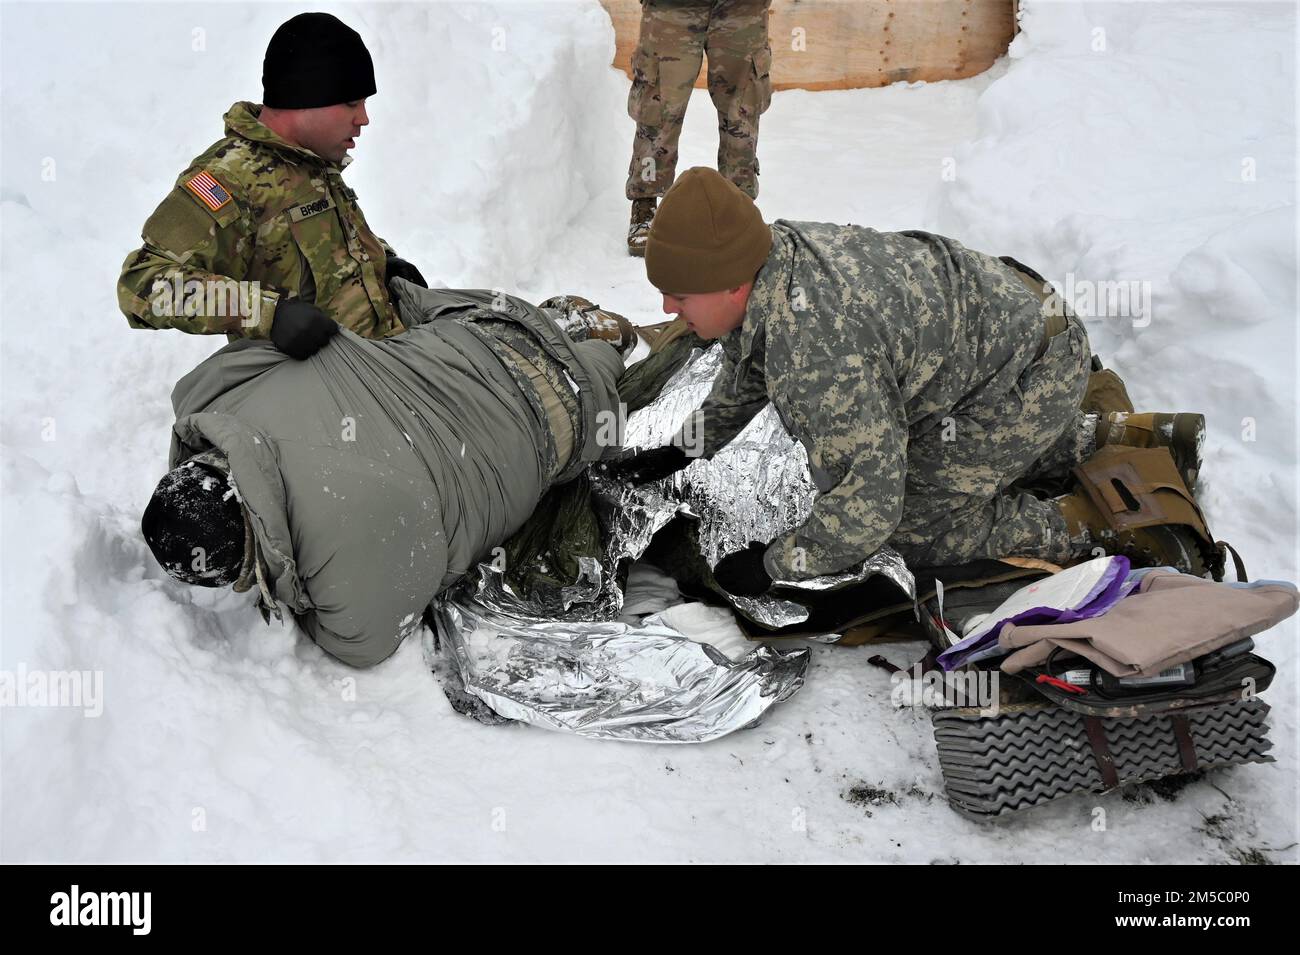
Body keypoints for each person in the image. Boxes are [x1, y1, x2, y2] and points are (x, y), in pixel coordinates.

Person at [613, 167, 1215, 597]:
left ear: (730, 285)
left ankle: (1092, 523)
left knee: (913, 528)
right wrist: (686, 446)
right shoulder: (778, 255)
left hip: (1024, 377)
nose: (668, 308)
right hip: (999, 347)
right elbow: (749, 364)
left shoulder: (819, 349)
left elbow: (869, 508)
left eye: (679, 294)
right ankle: (1126, 435)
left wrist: (776, 564)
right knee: (929, 452)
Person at [141, 285, 634, 667]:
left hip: (557, 412)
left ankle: (608, 347)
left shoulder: (342, 556)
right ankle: (566, 324)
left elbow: (360, 644)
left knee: (602, 368)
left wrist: (286, 579)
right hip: (475, 331)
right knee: (539, 332)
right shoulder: (209, 395)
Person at [117, 13, 427, 355]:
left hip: (382, 366)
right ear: (307, 97)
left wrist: (383, 261)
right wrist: (268, 314)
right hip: (320, 392)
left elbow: (327, 246)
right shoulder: (230, 178)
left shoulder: (312, 162)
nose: (363, 119)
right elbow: (144, 284)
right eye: (352, 102)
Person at [625, 0, 773, 256]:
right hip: (671, 8)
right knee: (658, 103)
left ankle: (738, 205)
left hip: (742, 8)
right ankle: (645, 201)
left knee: (742, 105)